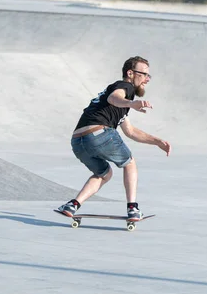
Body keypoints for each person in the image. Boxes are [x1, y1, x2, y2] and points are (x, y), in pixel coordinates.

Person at [56, 56, 171, 221]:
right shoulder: (125, 87)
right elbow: (114, 98)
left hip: (78, 142)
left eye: (148, 76)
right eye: (144, 74)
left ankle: (72, 205)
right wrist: (132, 104)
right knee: (129, 163)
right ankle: (133, 208)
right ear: (130, 73)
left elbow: (130, 131)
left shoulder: (114, 104)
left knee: (104, 174)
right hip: (100, 132)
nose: (147, 79)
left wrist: (157, 141)